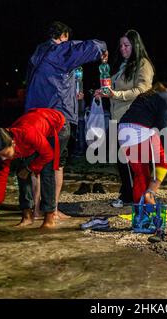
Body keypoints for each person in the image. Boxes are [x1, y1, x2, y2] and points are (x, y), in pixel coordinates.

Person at [24, 21, 108, 219]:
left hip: (33, 116)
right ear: (63, 36)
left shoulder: (38, 53)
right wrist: (103, 51)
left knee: (36, 163)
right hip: (55, 116)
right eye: (68, 39)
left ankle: (35, 210)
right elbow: (95, 45)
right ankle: (51, 211)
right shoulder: (60, 51)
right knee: (56, 164)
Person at [94, 29, 155, 208]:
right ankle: (128, 192)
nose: (122, 49)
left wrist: (117, 94)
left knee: (131, 160)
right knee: (122, 159)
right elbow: (110, 88)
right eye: (120, 45)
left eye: (126, 45)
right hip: (118, 117)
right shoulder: (123, 65)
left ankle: (131, 194)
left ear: (135, 46)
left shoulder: (143, 64)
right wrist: (104, 91)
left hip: (132, 118)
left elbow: (143, 90)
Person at [0, 108, 67, 231]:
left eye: (6, 154)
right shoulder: (3, 146)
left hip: (57, 125)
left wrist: (30, 168)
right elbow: (1, 179)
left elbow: (48, 154)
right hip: (37, 128)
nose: (3, 159)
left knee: (46, 170)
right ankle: (27, 215)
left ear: (13, 143)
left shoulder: (27, 134)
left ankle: (49, 218)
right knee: (21, 171)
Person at [117, 73, 167, 205]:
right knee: (163, 161)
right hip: (136, 130)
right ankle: (148, 196)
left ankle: (141, 202)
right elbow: (163, 128)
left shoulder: (157, 95)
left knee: (142, 172)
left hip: (124, 131)